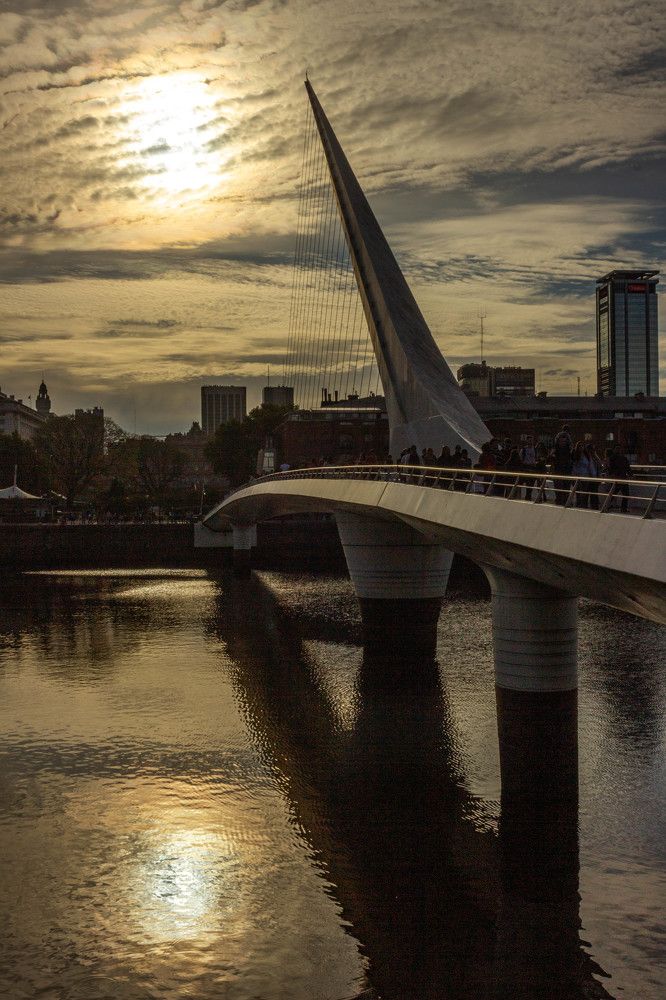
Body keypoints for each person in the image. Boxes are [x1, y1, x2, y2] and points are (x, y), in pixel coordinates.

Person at [552, 424, 573, 505]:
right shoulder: (567, 436)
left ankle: (559, 500)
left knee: (559, 486)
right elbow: (571, 446)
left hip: (559, 468)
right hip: (565, 467)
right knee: (565, 486)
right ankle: (565, 500)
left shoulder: (558, 436)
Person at [608, 445, 632, 513]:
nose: (618, 450)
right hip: (617, 478)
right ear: (614, 450)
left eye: (619, 449)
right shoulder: (612, 458)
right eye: (617, 449)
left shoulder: (624, 458)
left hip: (623, 478)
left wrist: (631, 474)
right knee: (614, 493)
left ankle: (623, 508)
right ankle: (607, 505)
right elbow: (610, 469)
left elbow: (628, 468)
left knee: (625, 493)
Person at [571, 441, 593, 508]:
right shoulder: (575, 455)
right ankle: (578, 505)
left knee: (585, 492)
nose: (581, 447)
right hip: (577, 477)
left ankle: (584, 505)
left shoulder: (586, 455)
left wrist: (591, 474)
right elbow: (573, 466)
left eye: (582, 446)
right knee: (579, 492)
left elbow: (589, 465)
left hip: (586, 476)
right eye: (579, 446)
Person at [584, 443, 603, 510]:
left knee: (594, 494)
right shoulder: (585, 458)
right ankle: (585, 506)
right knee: (586, 494)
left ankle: (594, 507)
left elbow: (600, 466)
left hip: (594, 478)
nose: (592, 451)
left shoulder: (595, 458)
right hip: (587, 478)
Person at [519, 434, 537, 499]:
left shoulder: (535, 449)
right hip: (526, 467)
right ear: (527, 441)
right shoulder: (524, 449)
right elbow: (520, 459)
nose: (530, 442)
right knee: (527, 482)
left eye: (531, 440)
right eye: (529, 440)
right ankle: (526, 496)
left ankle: (528, 495)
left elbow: (536, 458)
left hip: (533, 468)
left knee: (531, 484)